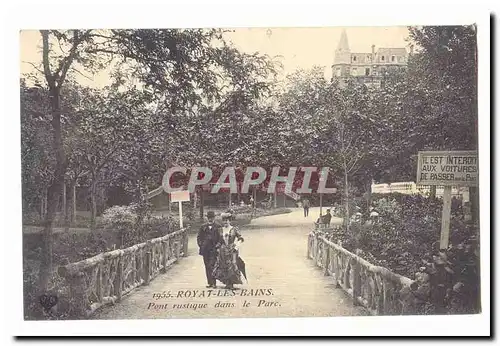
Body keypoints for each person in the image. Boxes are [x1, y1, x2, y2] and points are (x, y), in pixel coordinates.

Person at [212, 213, 244, 289]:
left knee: (232, 265)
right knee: (223, 265)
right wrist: (217, 247)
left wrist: (236, 246)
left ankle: (231, 283)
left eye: (227, 221)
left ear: (230, 221)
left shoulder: (234, 229)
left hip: (232, 249)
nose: (225, 222)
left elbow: (241, 238)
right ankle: (227, 282)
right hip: (223, 250)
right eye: (224, 221)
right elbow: (220, 241)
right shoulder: (220, 230)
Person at [197, 211, 222, 288]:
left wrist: (218, 246)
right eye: (209, 218)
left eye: (211, 218)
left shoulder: (218, 226)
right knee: (207, 265)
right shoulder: (203, 227)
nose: (210, 219)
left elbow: (220, 238)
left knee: (213, 265)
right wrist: (201, 245)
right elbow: (199, 237)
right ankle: (210, 283)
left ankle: (214, 282)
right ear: (207, 218)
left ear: (214, 218)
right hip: (205, 250)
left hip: (214, 249)